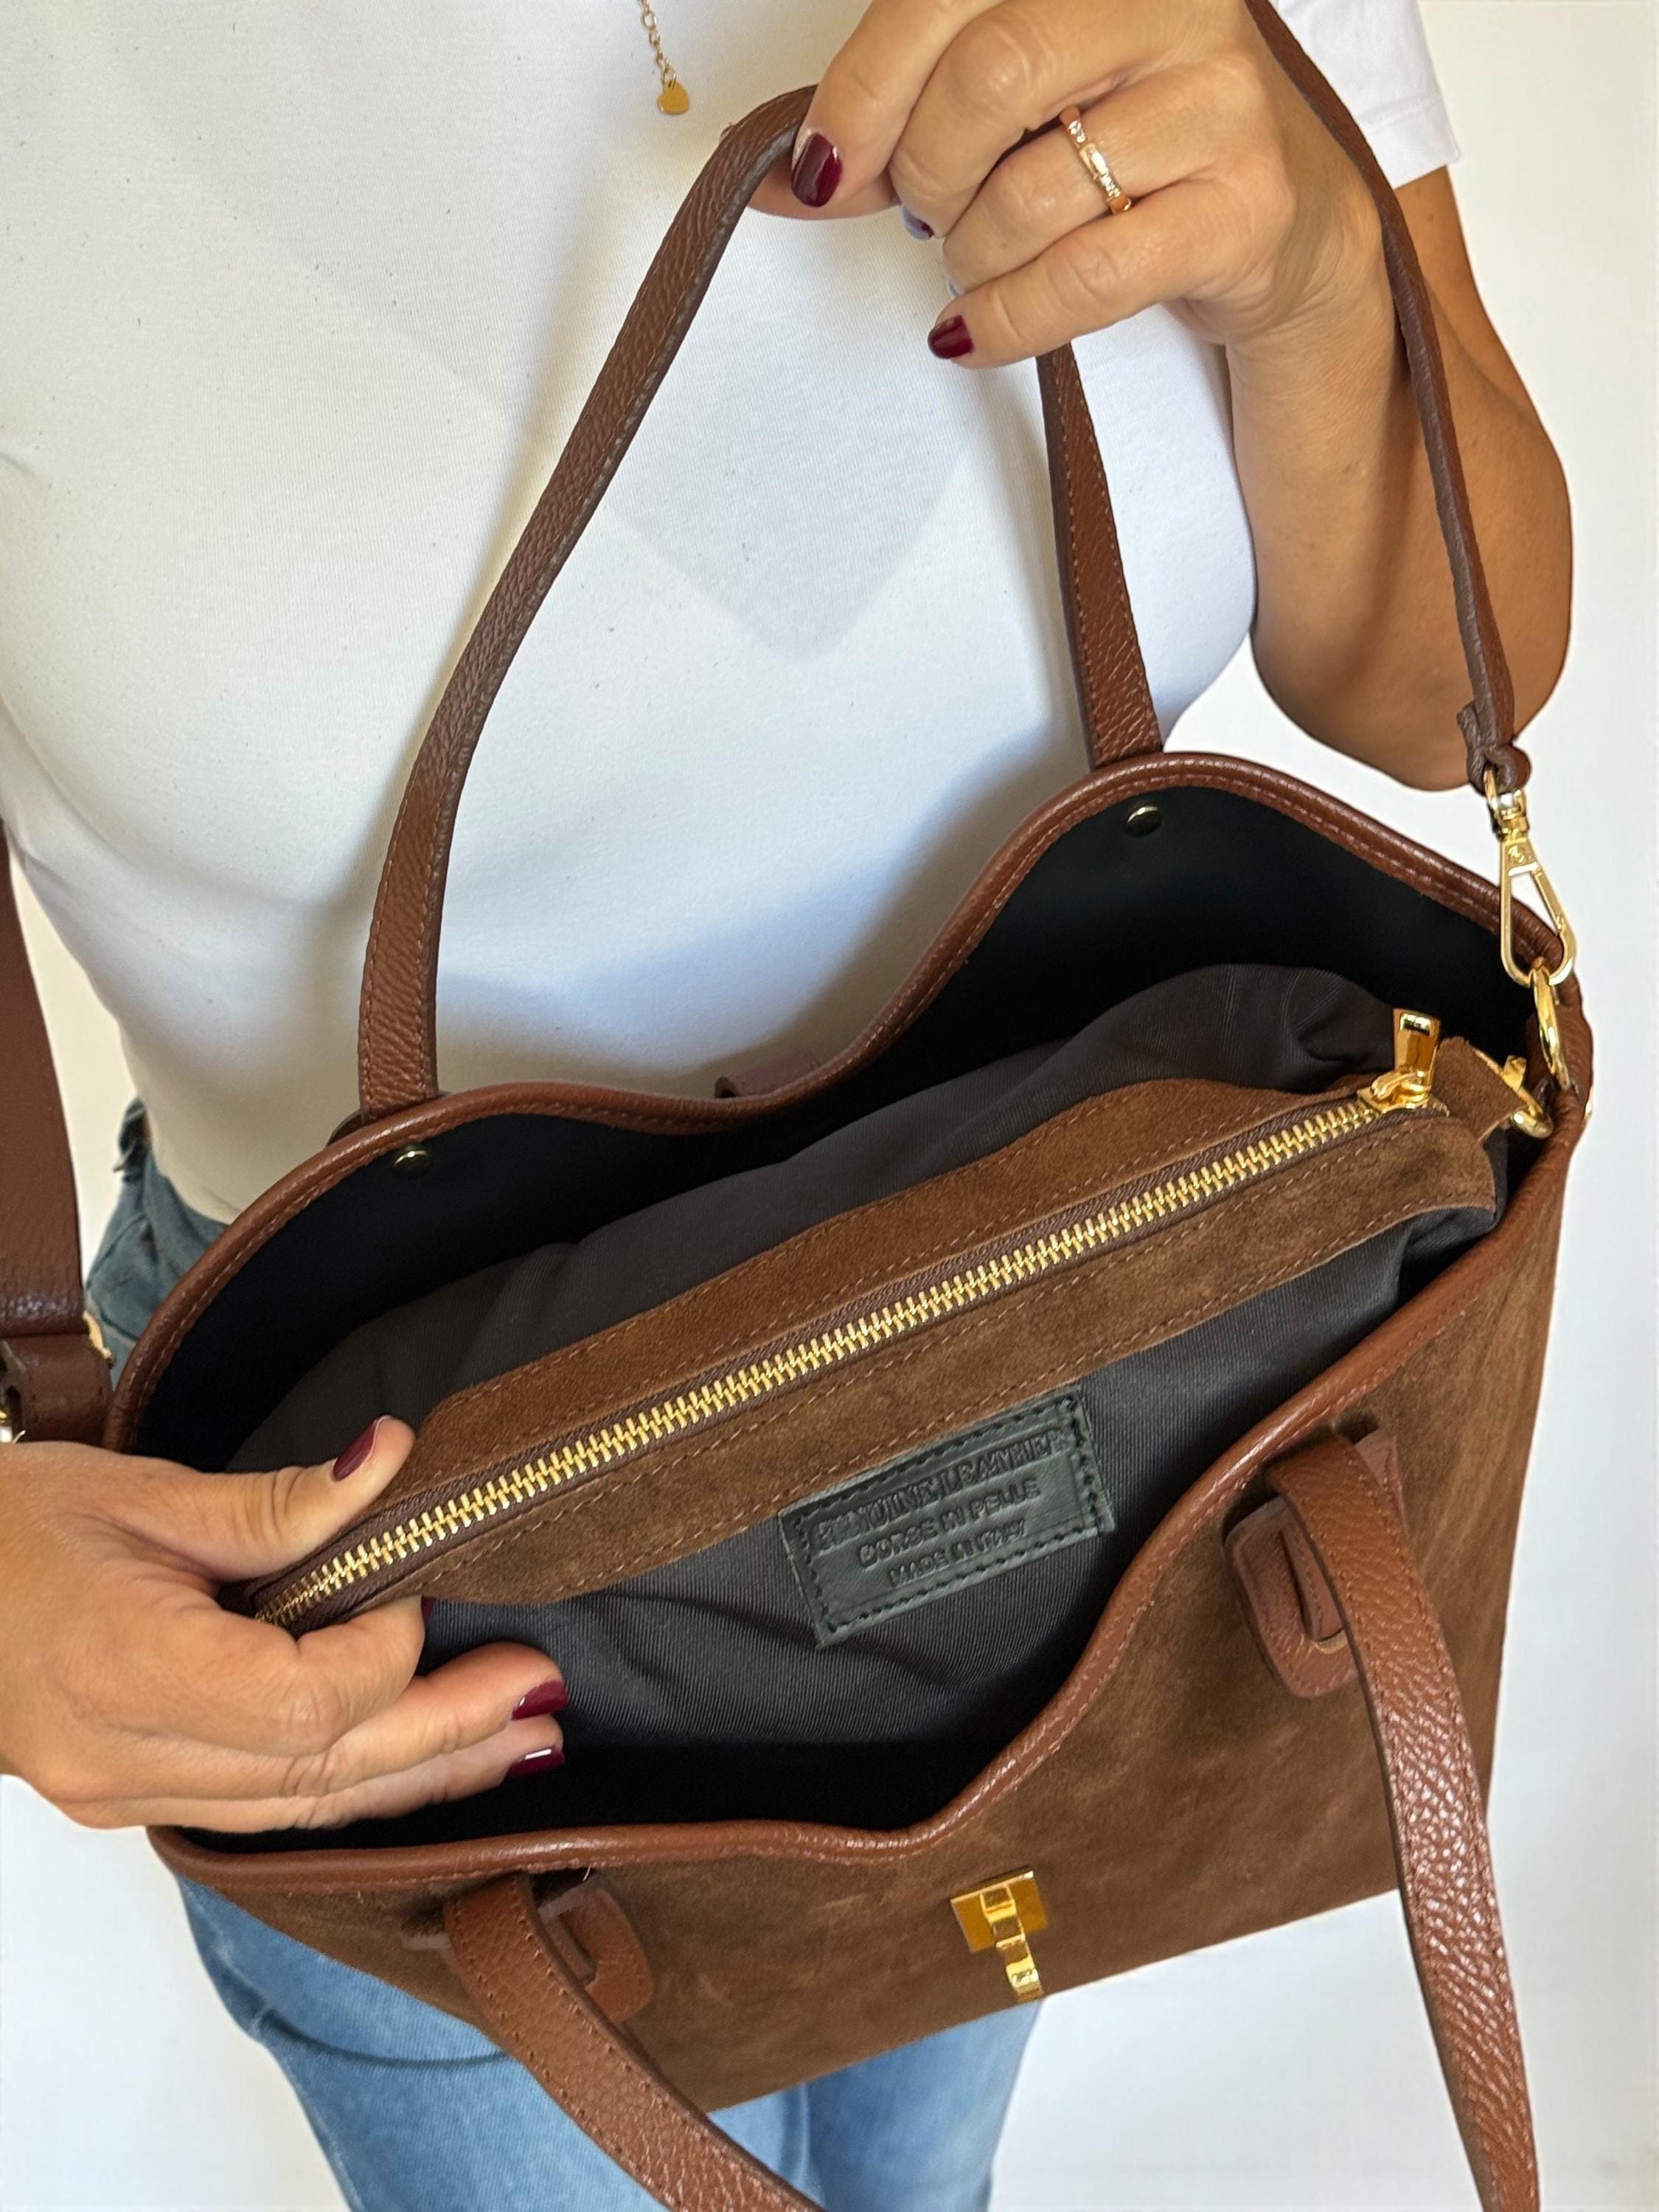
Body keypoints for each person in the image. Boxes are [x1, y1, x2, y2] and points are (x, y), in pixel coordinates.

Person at [0, 1, 1569, 2206]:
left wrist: (1314, 259)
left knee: (924, 2138)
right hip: (410, 1565)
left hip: (1087, 1349)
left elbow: (1438, 691)